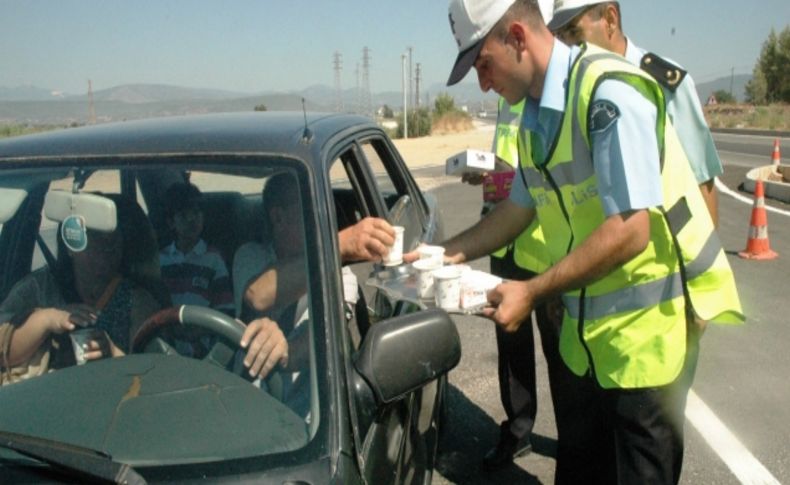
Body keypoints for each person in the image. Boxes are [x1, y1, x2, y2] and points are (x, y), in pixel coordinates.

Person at [439, 0, 744, 483]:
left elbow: (630, 229)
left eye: (483, 64)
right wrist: (444, 253)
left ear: (517, 37)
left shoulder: (608, 90)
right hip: (587, 352)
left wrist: (532, 291)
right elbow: (519, 209)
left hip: (646, 351)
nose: (483, 83)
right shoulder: (536, 116)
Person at [548, 0, 724, 226]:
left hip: (667, 250)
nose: (568, 47)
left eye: (574, 32)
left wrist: (707, 259)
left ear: (610, 20)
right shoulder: (570, 92)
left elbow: (702, 180)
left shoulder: (663, 84)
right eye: (561, 37)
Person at [232, 173, 396, 392]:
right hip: (241, 398)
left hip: (309, 412)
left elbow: (321, 336)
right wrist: (338, 244)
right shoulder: (251, 255)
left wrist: (285, 351)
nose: (321, 218)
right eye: (310, 210)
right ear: (278, 217)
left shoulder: (340, 275)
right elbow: (257, 296)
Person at [462, 97, 555, 470]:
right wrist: (487, 173)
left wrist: (508, 175)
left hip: (546, 246)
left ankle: (578, 441)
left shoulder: (551, 92)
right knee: (510, 342)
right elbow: (507, 161)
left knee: (562, 352)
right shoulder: (506, 99)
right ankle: (518, 430)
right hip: (505, 241)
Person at [0, 194, 163, 384]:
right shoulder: (37, 289)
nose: (107, 245)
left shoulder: (137, 300)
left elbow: (151, 376)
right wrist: (46, 320)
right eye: (95, 237)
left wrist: (111, 353)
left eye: (114, 237)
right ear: (71, 245)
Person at [159, 182, 234, 356]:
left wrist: (198, 331)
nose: (192, 220)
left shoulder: (213, 259)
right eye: (184, 215)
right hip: (163, 348)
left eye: (196, 213)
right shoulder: (161, 260)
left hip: (203, 351)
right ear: (171, 222)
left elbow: (225, 310)